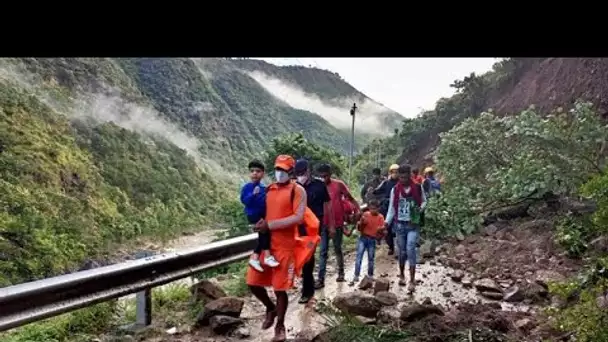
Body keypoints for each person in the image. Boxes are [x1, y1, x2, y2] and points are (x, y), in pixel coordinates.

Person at [246, 155, 307, 342]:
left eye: (283, 170)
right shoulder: (269, 189)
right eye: (277, 169)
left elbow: (298, 218)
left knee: (280, 289)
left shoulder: (298, 191)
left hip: (285, 248)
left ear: (291, 171)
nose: (279, 173)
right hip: (267, 246)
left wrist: (270, 225)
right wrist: (258, 222)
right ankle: (270, 308)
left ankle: (280, 326)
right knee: (252, 283)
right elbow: (261, 210)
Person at [315, 163, 360, 288]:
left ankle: (341, 273)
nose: (323, 179)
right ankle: (320, 279)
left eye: (325, 176)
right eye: (321, 177)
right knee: (323, 251)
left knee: (337, 248)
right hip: (323, 223)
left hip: (338, 223)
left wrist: (357, 209)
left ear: (330, 174)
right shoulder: (317, 187)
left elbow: (350, 198)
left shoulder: (338, 185)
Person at [294, 159, 332, 304]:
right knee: (303, 258)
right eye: (298, 174)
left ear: (309, 171)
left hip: (314, 229)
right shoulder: (294, 187)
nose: (301, 176)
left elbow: (327, 206)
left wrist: (331, 225)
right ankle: (308, 286)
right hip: (298, 229)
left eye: (303, 173)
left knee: (308, 258)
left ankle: (306, 291)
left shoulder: (319, 186)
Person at [385, 164, 426, 293]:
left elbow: (424, 201)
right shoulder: (395, 190)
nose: (403, 179)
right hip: (399, 224)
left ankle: (412, 280)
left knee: (410, 248)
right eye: (401, 177)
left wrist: (420, 209)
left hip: (413, 224)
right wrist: (386, 223)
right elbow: (392, 208)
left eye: (405, 177)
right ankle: (402, 274)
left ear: (410, 176)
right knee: (402, 252)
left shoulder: (418, 188)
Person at [240, 160, 279, 272]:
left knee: (264, 235)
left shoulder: (264, 188)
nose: (255, 173)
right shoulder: (247, 187)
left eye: (258, 171)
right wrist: (253, 194)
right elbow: (245, 201)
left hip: (263, 215)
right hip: (253, 215)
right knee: (264, 233)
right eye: (252, 171)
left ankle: (256, 257)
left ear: (263, 173)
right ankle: (266, 256)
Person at [348, 199, 385, 285]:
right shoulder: (365, 215)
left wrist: (381, 231)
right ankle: (356, 275)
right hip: (363, 237)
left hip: (372, 239)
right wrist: (361, 223)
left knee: (371, 258)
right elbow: (359, 228)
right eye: (371, 208)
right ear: (369, 208)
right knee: (359, 257)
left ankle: (370, 275)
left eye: (375, 209)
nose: (373, 210)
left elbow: (382, 230)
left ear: (378, 208)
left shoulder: (380, 217)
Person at [373, 164, 400, 255]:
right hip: (387, 207)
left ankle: (398, 248)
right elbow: (377, 191)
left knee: (397, 228)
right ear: (390, 173)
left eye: (397, 172)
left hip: (398, 207)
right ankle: (391, 247)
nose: (395, 174)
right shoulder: (386, 183)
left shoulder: (401, 183)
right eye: (393, 172)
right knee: (387, 227)